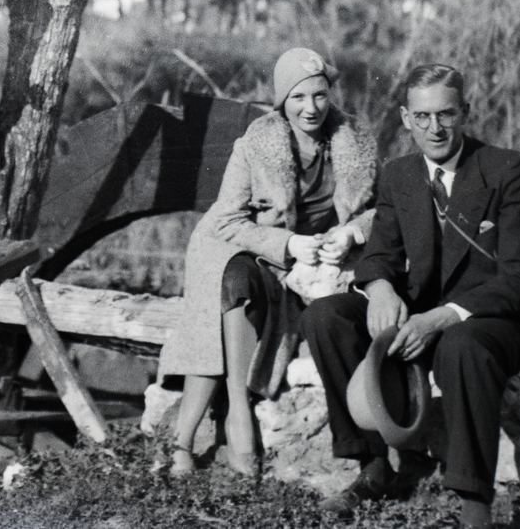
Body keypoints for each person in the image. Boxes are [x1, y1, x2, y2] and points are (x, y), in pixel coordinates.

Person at [302, 64, 520, 527]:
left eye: (445, 114)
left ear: (466, 112)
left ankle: (473, 503)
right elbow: (379, 254)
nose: (434, 128)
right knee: (326, 317)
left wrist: (441, 318)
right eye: (421, 117)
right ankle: (374, 466)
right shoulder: (400, 175)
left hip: (499, 316)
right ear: (405, 118)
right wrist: (379, 288)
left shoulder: (507, 170)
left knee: (463, 345)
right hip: (423, 311)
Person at [157, 48, 379, 477]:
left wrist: (351, 232)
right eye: (297, 98)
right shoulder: (258, 142)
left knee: (253, 296)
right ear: (281, 102)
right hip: (242, 250)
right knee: (232, 286)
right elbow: (226, 219)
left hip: (315, 265)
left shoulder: (356, 140)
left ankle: (187, 442)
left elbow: (384, 208)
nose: (310, 108)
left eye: (318, 96)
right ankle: (234, 415)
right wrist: (289, 243)